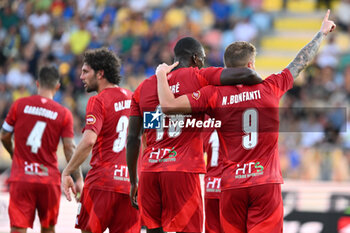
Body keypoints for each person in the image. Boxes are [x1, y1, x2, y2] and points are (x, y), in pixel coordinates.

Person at [155, 10, 335, 233]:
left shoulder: (213, 95)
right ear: (251, 65)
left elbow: (169, 107)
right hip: (265, 182)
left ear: (227, 67)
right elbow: (300, 62)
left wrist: (161, 76)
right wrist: (321, 33)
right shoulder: (270, 87)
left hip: (231, 185)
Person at [127, 36, 262, 233]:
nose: (203, 63)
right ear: (196, 58)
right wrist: (265, 87)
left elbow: (132, 138)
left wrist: (133, 181)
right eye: (203, 59)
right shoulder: (199, 77)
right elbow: (247, 73)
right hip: (182, 169)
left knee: (153, 230)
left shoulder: (144, 87)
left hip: (148, 171)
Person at [61, 47, 140, 233]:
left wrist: (67, 171)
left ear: (100, 74)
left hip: (102, 182)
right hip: (129, 183)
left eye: (85, 71)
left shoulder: (98, 101)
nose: (81, 77)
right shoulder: (134, 98)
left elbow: (88, 141)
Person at [0, 65, 83, 233]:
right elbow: (69, 147)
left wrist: (13, 153)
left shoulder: (19, 105)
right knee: (48, 228)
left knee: (18, 228)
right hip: (48, 179)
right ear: (57, 86)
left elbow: (4, 135)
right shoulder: (63, 113)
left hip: (22, 176)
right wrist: (78, 177)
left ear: (37, 84)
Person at [202, 124, 224, 233]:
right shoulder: (234, 114)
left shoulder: (204, 119)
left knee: (212, 229)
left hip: (211, 183)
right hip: (229, 182)